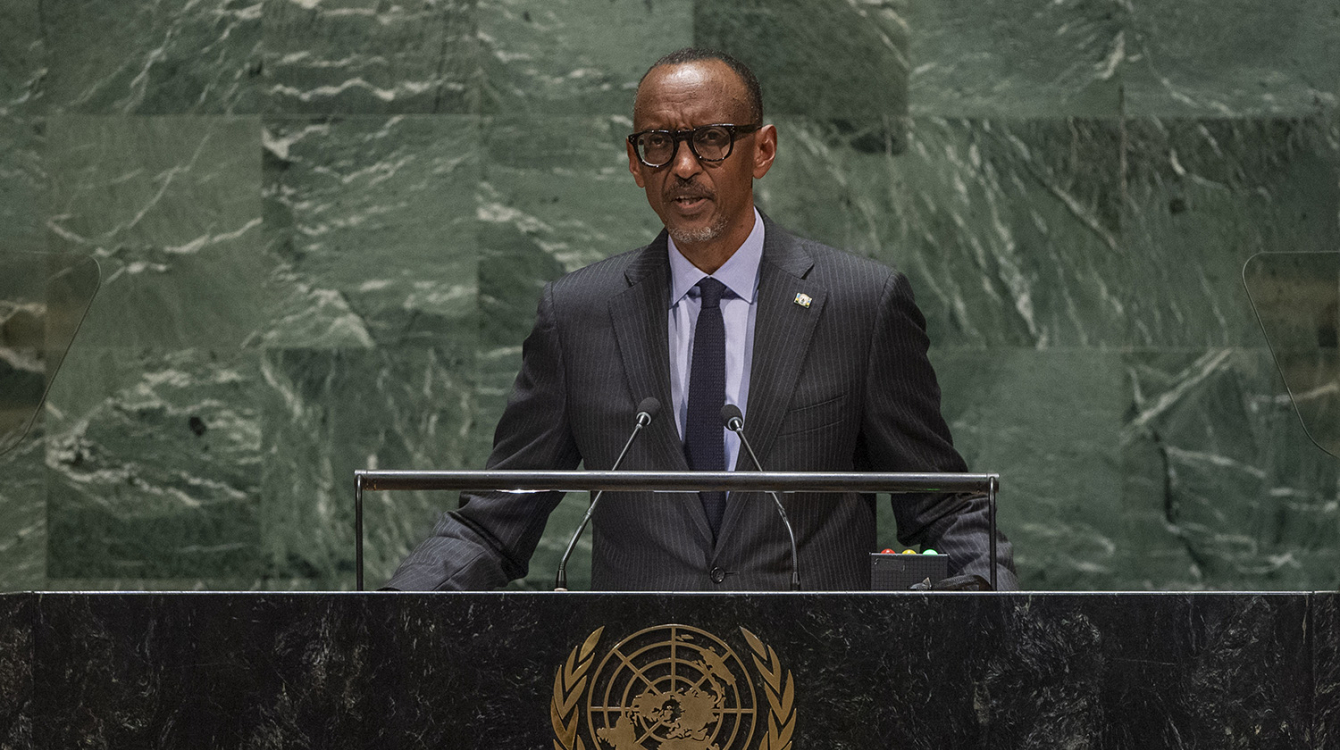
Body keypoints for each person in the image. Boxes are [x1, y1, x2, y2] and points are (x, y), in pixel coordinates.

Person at [387, 48, 1017, 591]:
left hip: (818, 686)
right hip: (638, 691)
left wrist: (1000, 612)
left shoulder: (860, 304)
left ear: (762, 150)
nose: (683, 166)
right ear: (635, 164)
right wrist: (374, 612)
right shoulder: (578, 315)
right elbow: (495, 518)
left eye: (711, 138)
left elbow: (942, 508)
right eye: (658, 144)